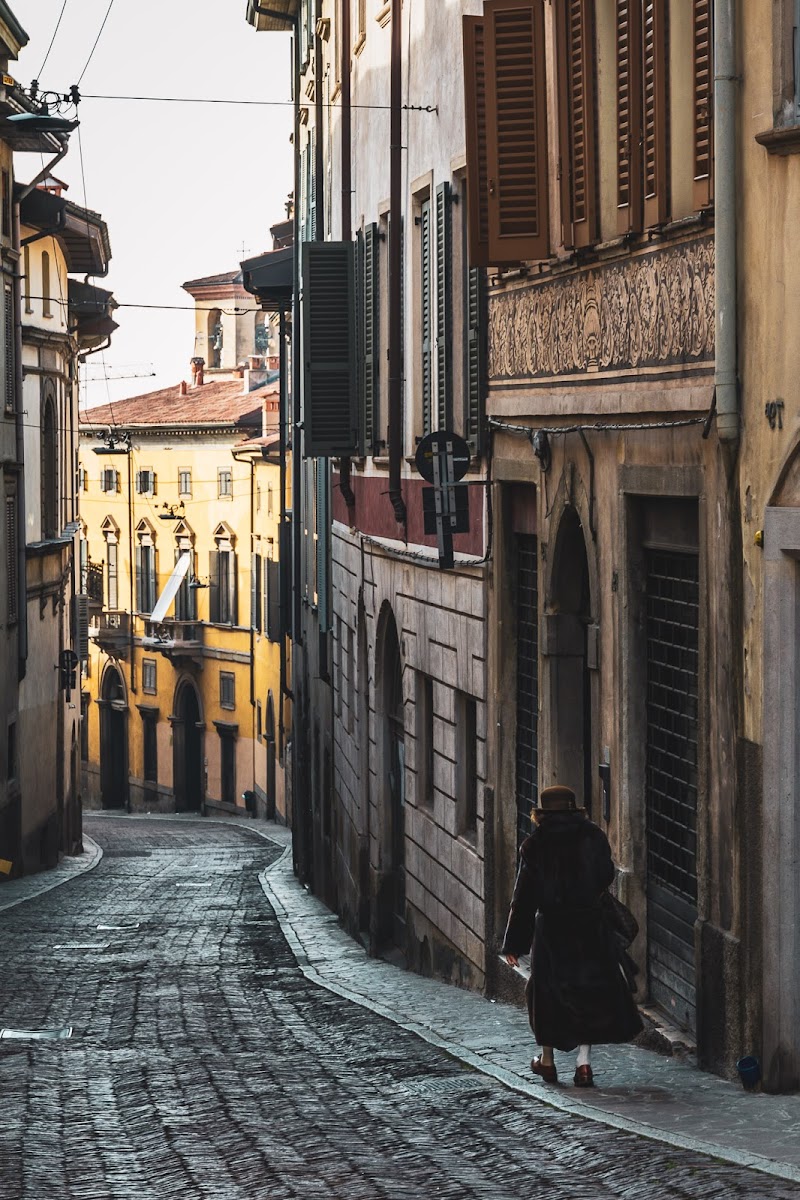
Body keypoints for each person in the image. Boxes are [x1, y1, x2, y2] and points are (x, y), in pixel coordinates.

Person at [501, 784, 643, 1087]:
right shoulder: (593, 837)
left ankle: (548, 1062)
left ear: (542, 813)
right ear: (573, 809)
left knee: (546, 993)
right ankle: (583, 1064)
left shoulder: (534, 846)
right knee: (588, 992)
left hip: (551, 930)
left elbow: (523, 898)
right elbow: (606, 874)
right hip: (590, 926)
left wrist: (513, 944)